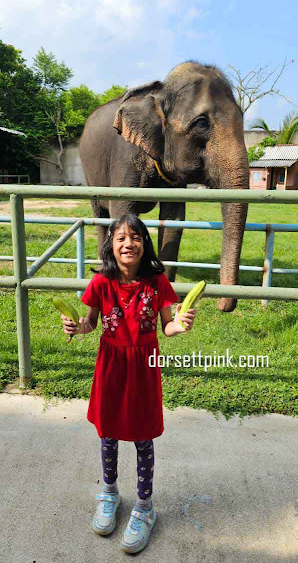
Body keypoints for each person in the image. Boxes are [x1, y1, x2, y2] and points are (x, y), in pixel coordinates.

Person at [61, 214, 196, 554]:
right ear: (111, 245)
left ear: (144, 244)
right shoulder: (101, 283)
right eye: (120, 238)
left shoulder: (157, 281)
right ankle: (109, 493)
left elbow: (167, 325)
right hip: (110, 365)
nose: (128, 243)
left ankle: (145, 507)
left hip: (143, 367)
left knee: (141, 436)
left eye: (135, 237)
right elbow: (90, 322)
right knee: (107, 433)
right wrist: (77, 328)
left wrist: (178, 327)